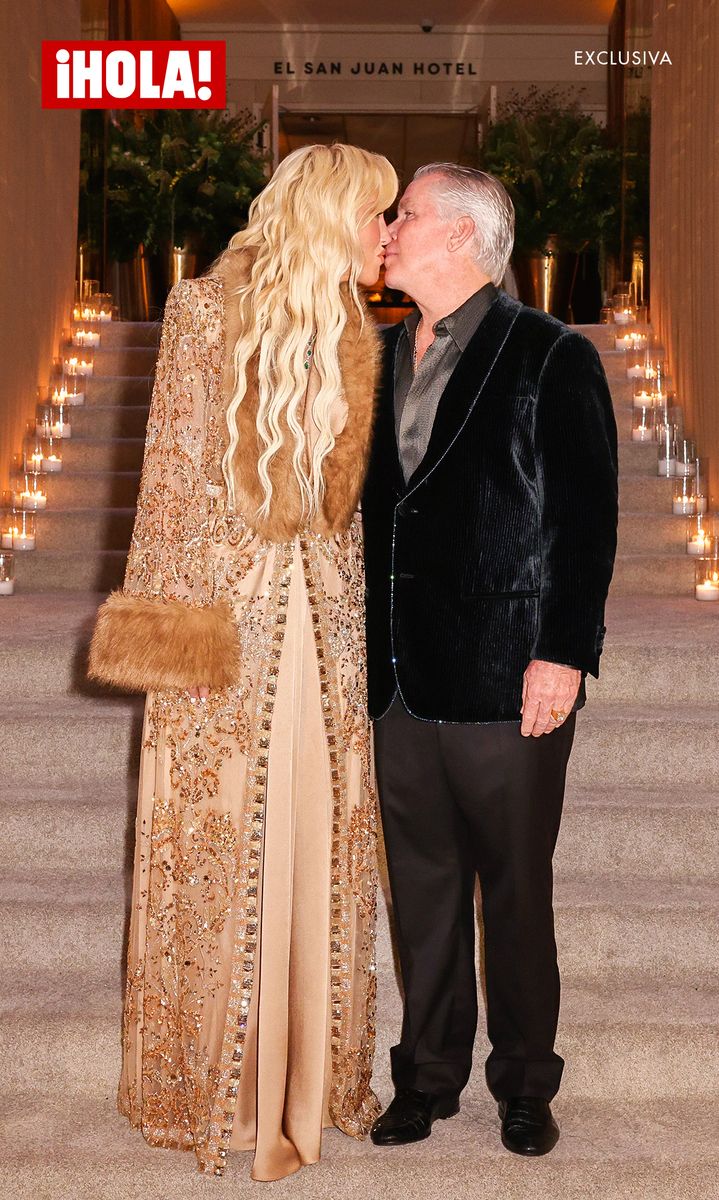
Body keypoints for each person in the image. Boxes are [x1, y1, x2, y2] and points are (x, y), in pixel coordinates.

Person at [88, 143, 397, 1181]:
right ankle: (216, 1083)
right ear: (325, 217)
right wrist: (176, 637)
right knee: (224, 834)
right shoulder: (201, 312)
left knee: (321, 834)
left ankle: (313, 1074)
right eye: (373, 217)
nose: (385, 238)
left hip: (329, 625)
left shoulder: (357, 326)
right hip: (230, 618)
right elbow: (170, 481)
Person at [362, 164, 618, 1157]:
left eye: (406, 214)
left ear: (462, 237)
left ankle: (522, 1082)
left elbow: (584, 523)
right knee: (421, 888)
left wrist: (562, 653)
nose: (387, 228)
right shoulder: (369, 355)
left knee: (513, 889)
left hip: (509, 676)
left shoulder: (549, 354)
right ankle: (425, 1079)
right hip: (395, 681)